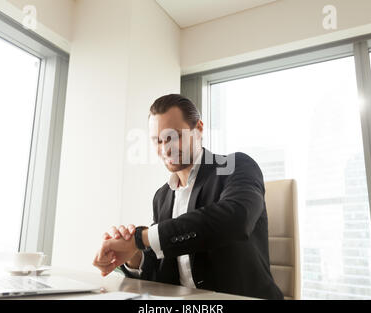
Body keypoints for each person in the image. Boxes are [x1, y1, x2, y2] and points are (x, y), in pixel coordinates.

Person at [93, 94, 283, 299]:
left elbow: (237, 219)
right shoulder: (162, 196)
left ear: (199, 129)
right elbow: (163, 273)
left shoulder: (235, 166)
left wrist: (142, 238)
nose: (165, 148)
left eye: (173, 137)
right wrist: (134, 256)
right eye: (157, 140)